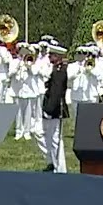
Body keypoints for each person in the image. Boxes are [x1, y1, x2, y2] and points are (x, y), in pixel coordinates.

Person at [38, 44, 69, 173]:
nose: (49, 57)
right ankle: (53, 163)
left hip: (55, 109)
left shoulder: (59, 71)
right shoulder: (56, 69)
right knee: (49, 137)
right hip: (52, 108)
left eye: (52, 55)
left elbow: (56, 93)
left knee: (56, 139)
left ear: (58, 57)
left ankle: (60, 169)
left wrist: (49, 110)